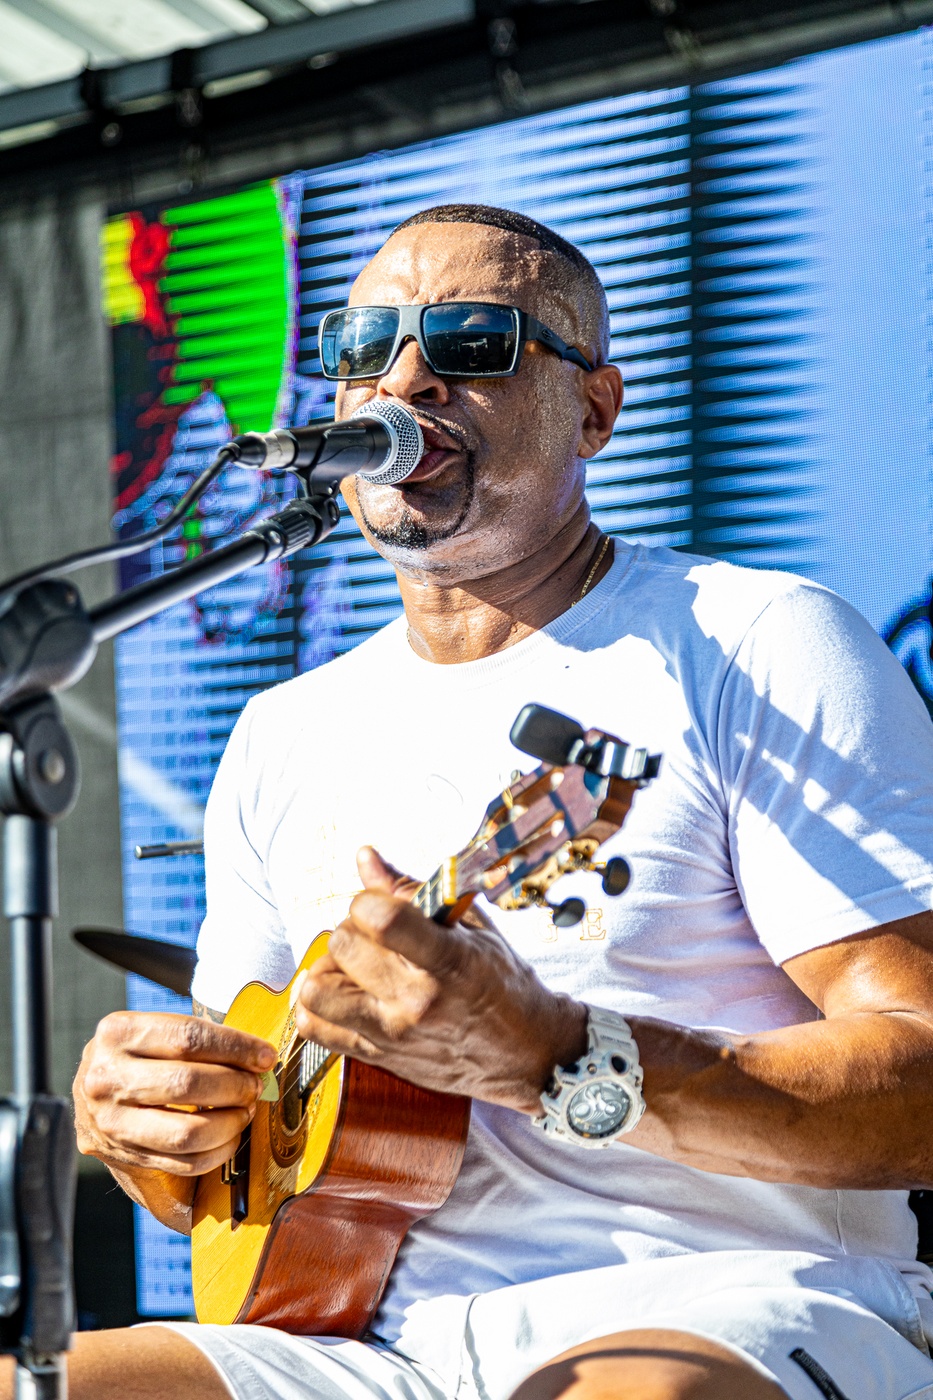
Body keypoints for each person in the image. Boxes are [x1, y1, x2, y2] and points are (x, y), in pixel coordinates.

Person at [40, 203, 933, 1400]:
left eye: (472, 342)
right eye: (363, 347)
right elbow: (235, 1170)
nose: (405, 380)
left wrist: (560, 1054)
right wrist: (152, 1131)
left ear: (594, 412)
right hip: (373, 1347)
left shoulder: (755, 642)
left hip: (727, 1297)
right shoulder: (281, 731)